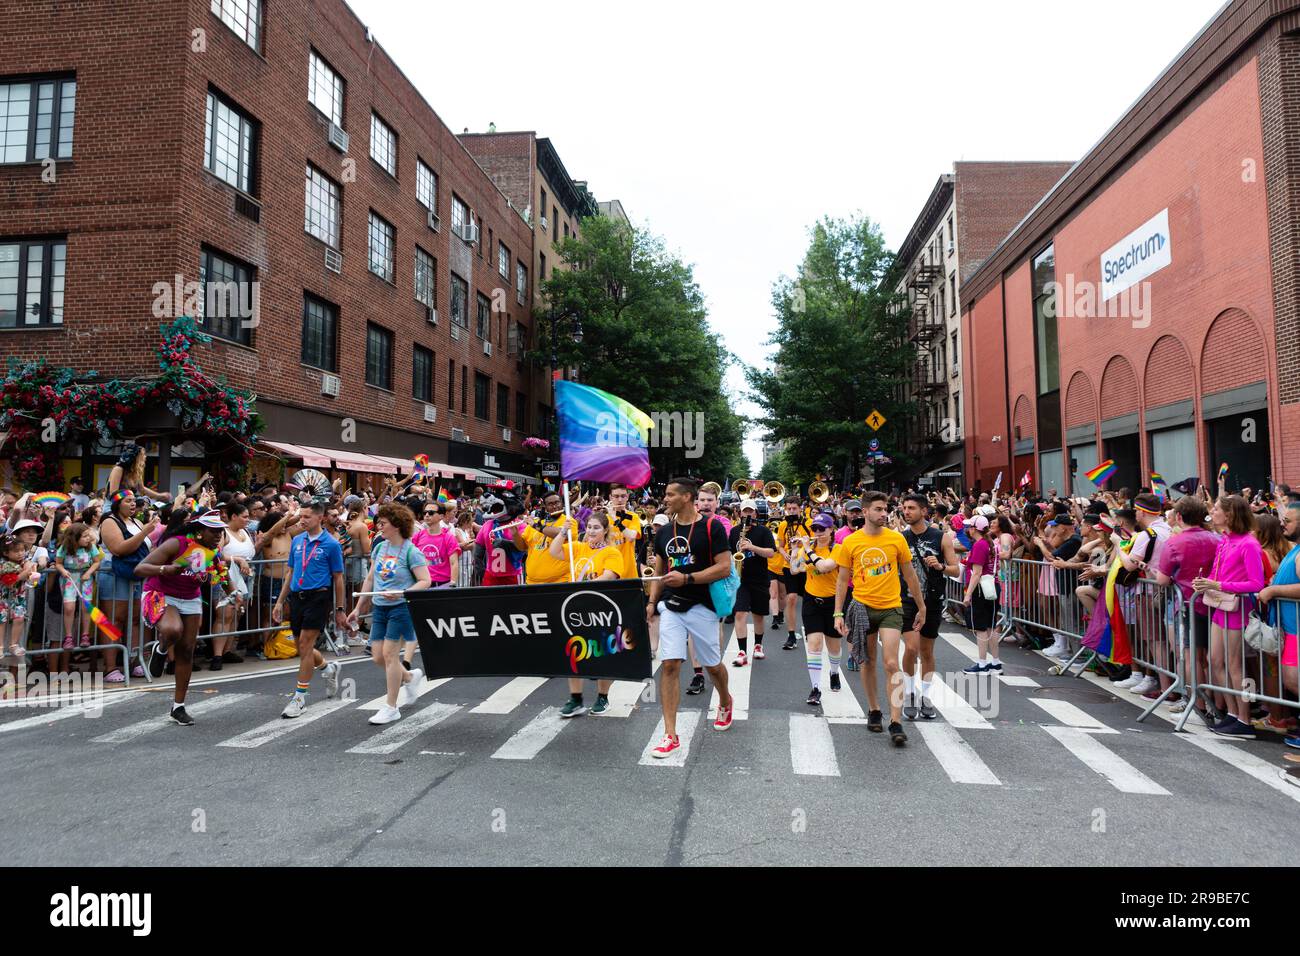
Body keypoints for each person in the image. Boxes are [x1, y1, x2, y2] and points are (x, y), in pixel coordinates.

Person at [646, 477, 736, 757]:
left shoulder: (711, 527)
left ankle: (725, 699)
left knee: (712, 666)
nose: (666, 499)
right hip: (670, 606)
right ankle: (670, 734)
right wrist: (651, 602)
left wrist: (687, 578)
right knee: (670, 664)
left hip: (703, 606)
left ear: (687, 497)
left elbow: (723, 567)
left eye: (671, 494)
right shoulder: (663, 532)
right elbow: (660, 571)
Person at [834, 491, 925, 746]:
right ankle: (874, 709)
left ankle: (896, 722)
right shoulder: (850, 543)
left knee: (890, 663)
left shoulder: (896, 539)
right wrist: (838, 612)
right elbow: (842, 581)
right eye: (878, 509)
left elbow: (910, 576)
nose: (884, 513)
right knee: (867, 661)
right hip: (862, 608)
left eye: (885, 509)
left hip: (891, 608)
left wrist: (921, 606)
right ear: (864, 512)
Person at [135, 510, 228, 725]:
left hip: (191, 599)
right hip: (161, 594)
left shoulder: (212, 553)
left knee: (187, 651)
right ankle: (161, 649)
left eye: (220, 531)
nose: (217, 535)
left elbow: (214, 577)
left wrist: (219, 584)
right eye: (212, 531)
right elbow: (140, 568)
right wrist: (165, 569)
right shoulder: (176, 544)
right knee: (172, 629)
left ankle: (178, 707)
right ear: (199, 532)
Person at [348, 503, 430, 725]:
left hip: (401, 608)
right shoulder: (379, 548)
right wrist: (358, 608)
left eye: (382, 523)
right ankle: (410, 677)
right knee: (378, 657)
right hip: (380, 607)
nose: (379, 527)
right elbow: (371, 578)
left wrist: (403, 592)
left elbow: (425, 581)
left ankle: (391, 707)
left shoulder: (413, 552)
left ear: (396, 524)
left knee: (390, 655)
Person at [1193, 495, 1265, 739]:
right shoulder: (1225, 541)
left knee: (1236, 666)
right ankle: (1234, 714)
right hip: (1221, 608)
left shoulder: (1248, 544)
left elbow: (1256, 583)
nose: (1211, 512)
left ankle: (1245, 718)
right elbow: (1217, 573)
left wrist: (1217, 584)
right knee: (1216, 662)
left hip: (1238, 611)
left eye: (1216, 509)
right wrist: (1205, 583)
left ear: (1230, 514)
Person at [272, 502, 345, 719]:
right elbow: (290, 573)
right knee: (301, 646)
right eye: (300, 516)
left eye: (306, 517)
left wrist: (339, 609)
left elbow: (338, 578)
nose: (302, 520)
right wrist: (279, 602)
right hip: (297, 597)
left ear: (320, 518)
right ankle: (327, 668)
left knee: (305, 644)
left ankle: (299, 698)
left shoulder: (331, 544)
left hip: (318, 597)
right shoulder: (297, 540)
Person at [549, 513, 624, 716]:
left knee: (601, 653)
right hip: (577, 609)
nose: (591, 531)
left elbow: (609, 576)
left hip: (601, 610)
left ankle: (602, 697)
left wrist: (582, 587)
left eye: (596, 527)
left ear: (605, 530)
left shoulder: (612, 552)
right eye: (589, 527)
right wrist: (563, 531)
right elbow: (554, 551)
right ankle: (575, 699)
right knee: (574, 651)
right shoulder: (578, 548)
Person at [899, 494, 959, 720]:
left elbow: (956, 570)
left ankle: (925, 696)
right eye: (904, 508)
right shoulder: (900, 538)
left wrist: (941, 566)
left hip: (933, 599)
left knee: (926, 651)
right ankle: (908, 694)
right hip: (906, 599)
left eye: (912, 508)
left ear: (924, 511)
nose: (906, 512)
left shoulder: (940, 537)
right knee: (911, 648)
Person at [797, 512, 843, 706]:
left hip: (833, 601)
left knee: (833, 645)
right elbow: (794, 569)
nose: (817, 532)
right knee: (814, 644)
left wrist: (807, 550)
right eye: (814, 529)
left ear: (831, 530)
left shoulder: (838, 549)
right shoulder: (808, 549)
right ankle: (815, 688)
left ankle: (834, 672)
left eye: (822, 529)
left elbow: (825, 567)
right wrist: (794, 550)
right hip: (811, 600)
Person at [727, 499, 776, 667]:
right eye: (744, 511)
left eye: (750, 511)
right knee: (740, 613)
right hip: (739, 580)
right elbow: (728, 553)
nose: (747, 514)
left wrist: (752, 547)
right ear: (740, 513)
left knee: (758, 615)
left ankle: (758, 645)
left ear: (755, 513)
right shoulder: (734, 532)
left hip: (759, 578)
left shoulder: (763, 531)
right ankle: (742, 651)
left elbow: (770, 553)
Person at [53, 522, 103, 676]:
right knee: (69, 607)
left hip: (85, 578)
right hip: (70, 579)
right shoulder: (64, 548)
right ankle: (69, 636)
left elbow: (97, 561)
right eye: (85, 536)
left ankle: (85, 635)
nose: (89, 538)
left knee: (85, 607)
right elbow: (58, 563)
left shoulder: (90, 547)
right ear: (75, 538)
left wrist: (89, 572)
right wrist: (62, 571)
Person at [211, 501, 253, 669]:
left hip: (246, 578)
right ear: (233, 516)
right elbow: (217, 555)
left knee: (237, 614)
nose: (248, 520)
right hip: (226, 577)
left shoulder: (246, 531)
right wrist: (237, 559)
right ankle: (217, 656)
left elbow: (250, 552)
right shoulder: (223, 532)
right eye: (245, 517)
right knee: (225, 615)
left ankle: (228, 650)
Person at [776, 497, 812, 651]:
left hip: (806, 565)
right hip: (789, 565)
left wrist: (804, 544)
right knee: (791, 598)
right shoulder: (783, 524)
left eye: (794, 508)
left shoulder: (808, 523)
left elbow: (815, 542)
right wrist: (784, 553)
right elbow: (780, 545)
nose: (791, 511)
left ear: (800, 508)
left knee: (809, 599)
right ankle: (791, 635)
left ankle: (810, 629)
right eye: (789, 509)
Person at [106, 443, 172, 503]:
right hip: (112, 508)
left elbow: (142, 489)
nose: (145, 457)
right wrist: (131, 495)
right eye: (143, 455)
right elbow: (113, 494)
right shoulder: (118, 469)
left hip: (126, 508)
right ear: (135, 458)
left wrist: (160, 496)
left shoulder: (136, 472)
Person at [606, 484, 643, 581]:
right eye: (616, 496)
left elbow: (631, 537)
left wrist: (615, 520)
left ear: (627, 497)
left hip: (629, 573)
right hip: (609, 572)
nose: (619, 500)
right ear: (610, 497)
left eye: (623, 496)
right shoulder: (604, 518)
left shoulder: (633, 516)